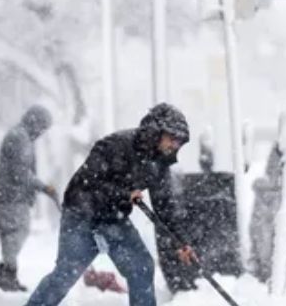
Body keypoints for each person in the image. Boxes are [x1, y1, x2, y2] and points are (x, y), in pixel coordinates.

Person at [26, 103, 199, 306]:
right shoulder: (115, 145)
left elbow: (165, 207)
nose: (175, 145)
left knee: (142, 267)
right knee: (66, 274)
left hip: (113, 218)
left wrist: (181, 242)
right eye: (173, 138)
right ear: (156, 131)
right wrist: (124, 194)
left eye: (180, 142)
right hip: (81, 214)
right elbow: (87, 183)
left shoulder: (159, 163)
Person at [0, 105, 57, 291]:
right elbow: (20, 173)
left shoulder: (21, 136)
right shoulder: (20, 138)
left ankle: (4, 274)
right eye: (42, 127)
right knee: (16, 233)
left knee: (12, 234)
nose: (42, 132)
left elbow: (22, 172)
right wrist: (45, 188)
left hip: (8, 194)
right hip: (9, 195)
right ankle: (7, 275)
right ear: (34, 121)